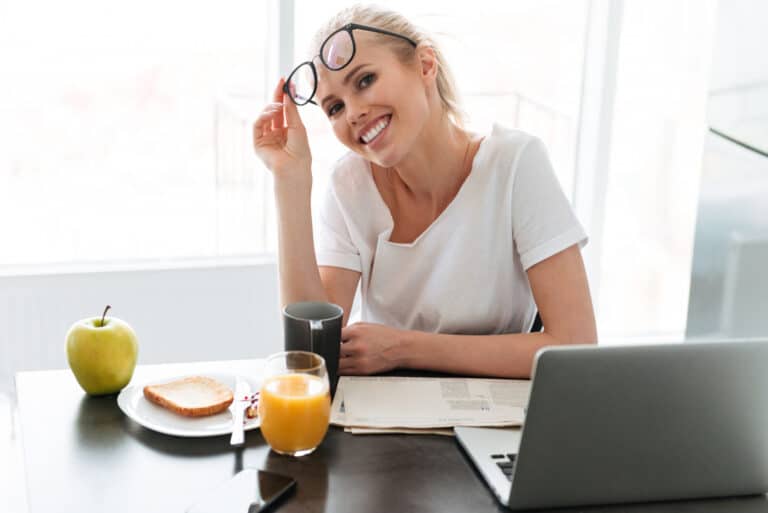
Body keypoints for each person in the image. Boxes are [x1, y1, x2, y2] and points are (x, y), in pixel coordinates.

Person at [252, 5, 597, 379]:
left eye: (365, 80)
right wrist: (290, 179)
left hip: (500, 408)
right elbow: (311, 353)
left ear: (425, 65)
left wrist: (404, 349)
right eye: (335, 107)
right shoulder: (349, 185)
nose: (352, 113)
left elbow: (575, 345)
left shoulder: (515, 164)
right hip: (387, 407)